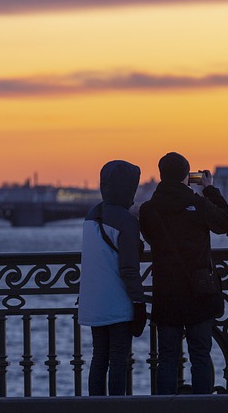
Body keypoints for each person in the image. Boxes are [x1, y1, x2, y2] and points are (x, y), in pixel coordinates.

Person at [139, 152, 228, 395]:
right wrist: (209, 190)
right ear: (186, 176)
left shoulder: (149, 210)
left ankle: (165, 407)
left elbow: (150, 237)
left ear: (161, 175)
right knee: (200, 355)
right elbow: (227, 222)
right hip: (199, 291)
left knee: (168, 358)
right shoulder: (197, 204)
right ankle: (202, 406)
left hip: (166, 293)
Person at [78, 160, 147, 396]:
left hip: (93, 302)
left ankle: (96, 405)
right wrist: (139, 302)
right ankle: (117, 405)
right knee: (119, 359)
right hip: (117, 302)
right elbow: (129, 268)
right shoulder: (126, 221)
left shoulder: (92, 214)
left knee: (99, 358)